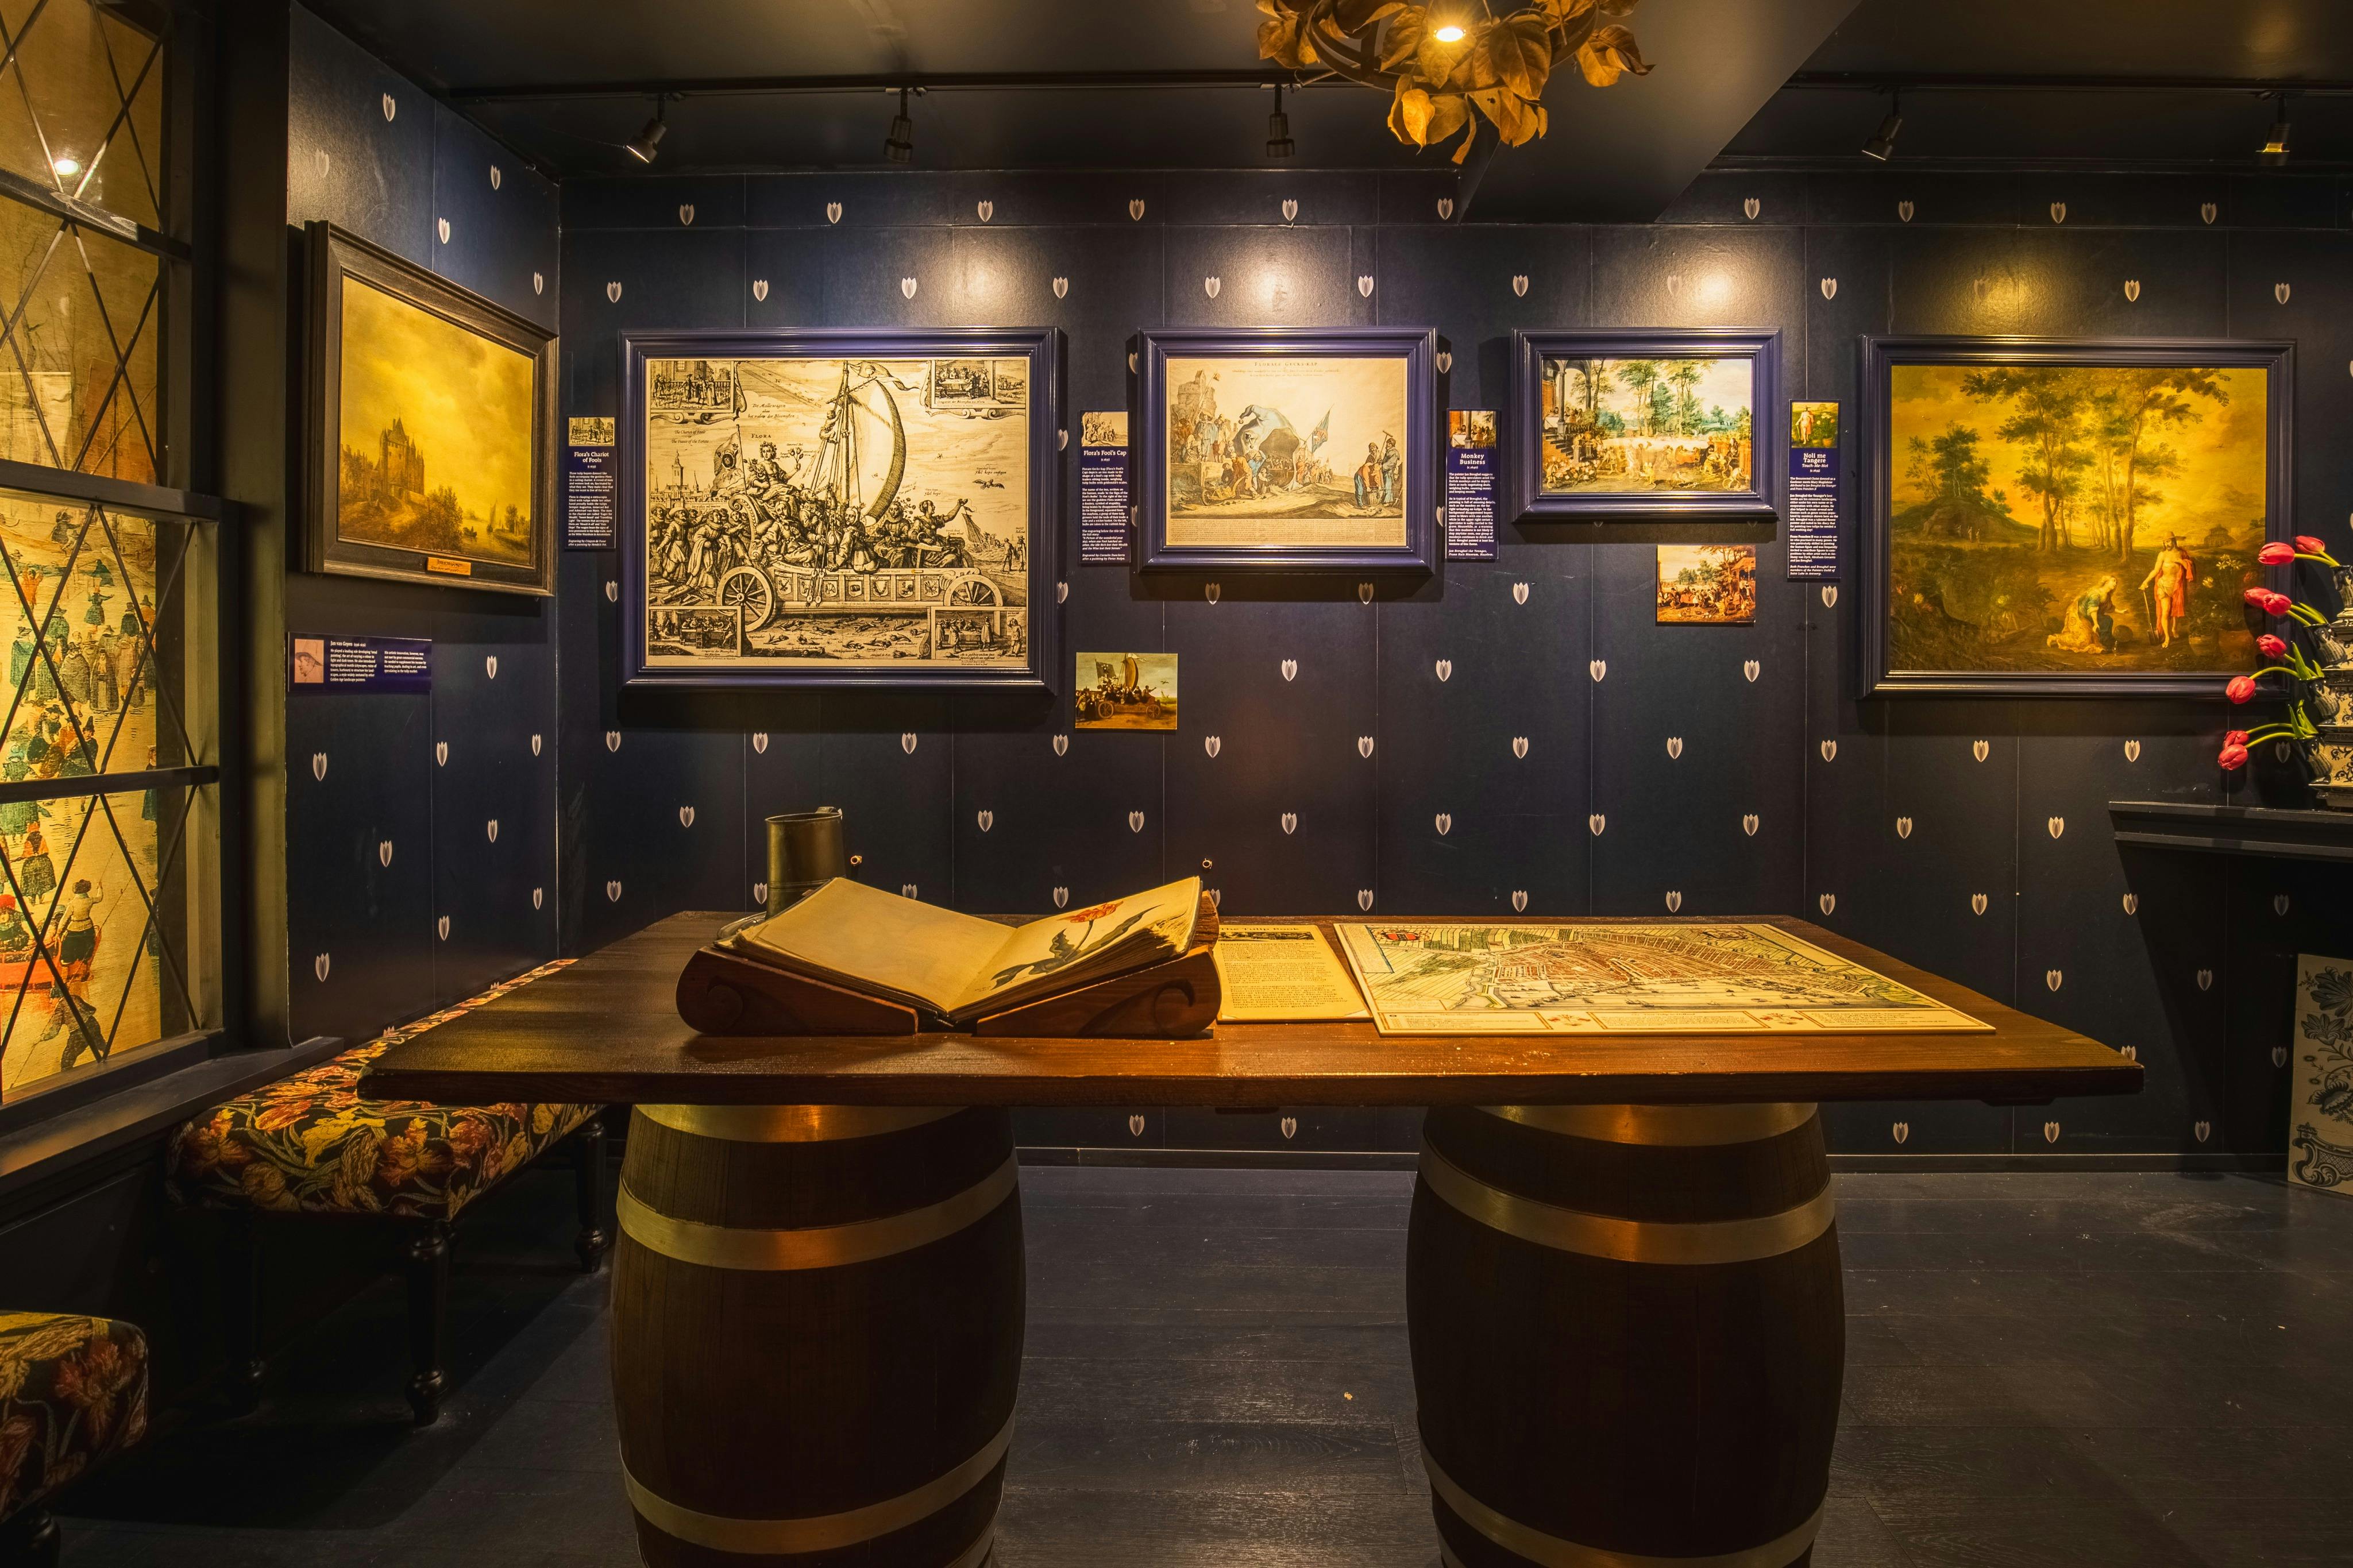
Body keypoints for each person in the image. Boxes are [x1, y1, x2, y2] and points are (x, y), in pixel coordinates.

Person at [2138, 535, 2196, 648]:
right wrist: (2146, 581)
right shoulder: (2162, 554)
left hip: (2177, 586)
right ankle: (2168, 637)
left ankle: (2174, 628)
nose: (2166, 545)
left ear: (2174, 541)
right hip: (2164, 585)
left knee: (2177, 611)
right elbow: (2156, 570)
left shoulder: (2182, 553)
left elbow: (2189, 567)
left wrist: (2180, 561)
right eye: (2165, 543)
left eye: (2168, 542)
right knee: (2165, 612)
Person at [2048, 574, 2120, 654]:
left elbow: (2109, 607)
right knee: (2083, 640)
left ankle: (2105, 644)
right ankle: (2055, 638)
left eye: (2116, 582)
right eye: (2113, 581)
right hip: (2078, 614)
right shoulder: (2096, 594)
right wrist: (2096, 624)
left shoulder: (2107, 595)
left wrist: (2121, 612)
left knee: (2108, 620)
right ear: (2106, 582)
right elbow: (2093, 610)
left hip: (2089, 615)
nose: (2115, 583)